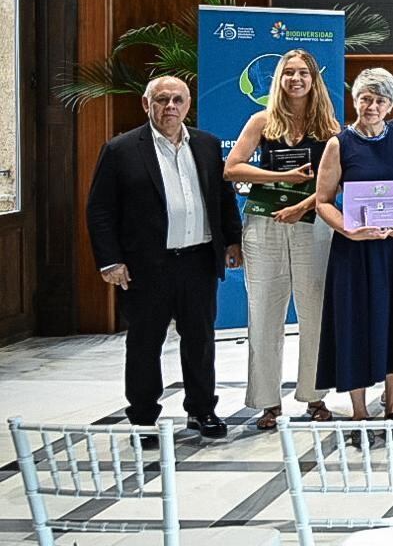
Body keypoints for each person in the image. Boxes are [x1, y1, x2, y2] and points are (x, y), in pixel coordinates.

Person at [86, 76, 242, 441]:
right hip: (146, 266)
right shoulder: (121, 149)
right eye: (161, 100)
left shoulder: (206, 144)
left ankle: (202, 410)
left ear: (188, 105)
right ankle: (142, 416)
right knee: (144, 342)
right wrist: (110, 261)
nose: (169, 106)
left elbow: (223, 199)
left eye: (177, 100)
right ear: (147, 105)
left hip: (198, 261)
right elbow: (100, 211)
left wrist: (232, 241)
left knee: (200, 340)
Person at [223, 50, 339, 430]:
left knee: (315, 313)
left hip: (312, 222)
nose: (295, 79)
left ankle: (315, 397)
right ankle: (267, 402)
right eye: (288, 73)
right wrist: (280, 180)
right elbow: (232, 168)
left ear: (313, 79)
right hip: (264, 223)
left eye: (302, 72)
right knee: (264, 314)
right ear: (279, 79)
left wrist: (302, 202)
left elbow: (335, 181)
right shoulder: (262, 120)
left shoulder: (329, 127)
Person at [314, 68, 393, 429]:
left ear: (390, 103)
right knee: (357, 324)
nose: (372, 106)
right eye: (366, 98)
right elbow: (323, 201)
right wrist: (350, 229)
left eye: (380, 100)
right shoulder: (339, 143)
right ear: (355, 100)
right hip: (356, 252)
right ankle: (360, 411)